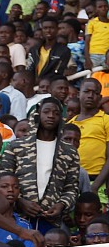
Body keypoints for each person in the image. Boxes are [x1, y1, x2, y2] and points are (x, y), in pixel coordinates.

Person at [0, 97, 80, 232]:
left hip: (51, 221)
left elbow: (72, 188)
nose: (51, 116)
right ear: (38, 114)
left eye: (56, 113)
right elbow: (2, 179)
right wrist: (19, 201)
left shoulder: (69, 151)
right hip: (17, 217)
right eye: (46, 111)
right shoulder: (16, 146)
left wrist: (61, 205)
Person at [68, 79, 109, 194]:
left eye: (95, 93)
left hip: (98, 181)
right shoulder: (69, 125)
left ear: (100, 97)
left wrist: (95, 186)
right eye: (87, 91)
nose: (90, 96)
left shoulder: (108, 120)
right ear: (78, 94)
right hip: (72, 182)